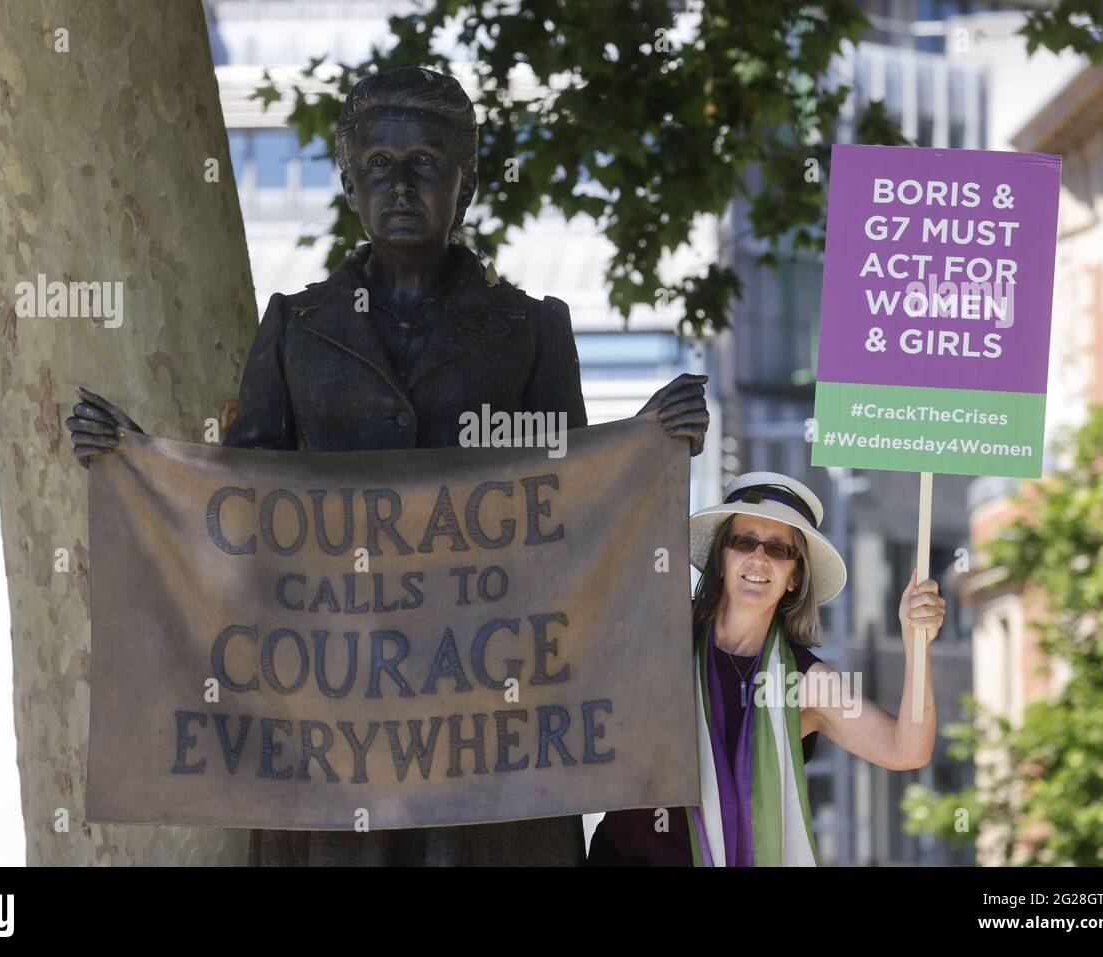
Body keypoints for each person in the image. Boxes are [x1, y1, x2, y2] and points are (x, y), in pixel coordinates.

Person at [66, 65, 709, 866]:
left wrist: (650, 439)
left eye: (426, 165)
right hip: (332, 719)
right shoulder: (296, 327)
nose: (401, 185)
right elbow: (240, 507)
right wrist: (143, 466)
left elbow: (570, 504)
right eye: (379, 165)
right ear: (347, 179)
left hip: (491, 721)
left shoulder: (531, 328)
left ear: (465, 182)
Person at [587, 471, 946, 866]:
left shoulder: (803, 683)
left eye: (778, 549)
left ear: (795, 577)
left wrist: (917, 643)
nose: (758, 559)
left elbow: (906, 749)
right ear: (722, 558)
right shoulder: (662, 634)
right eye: (744, 542)